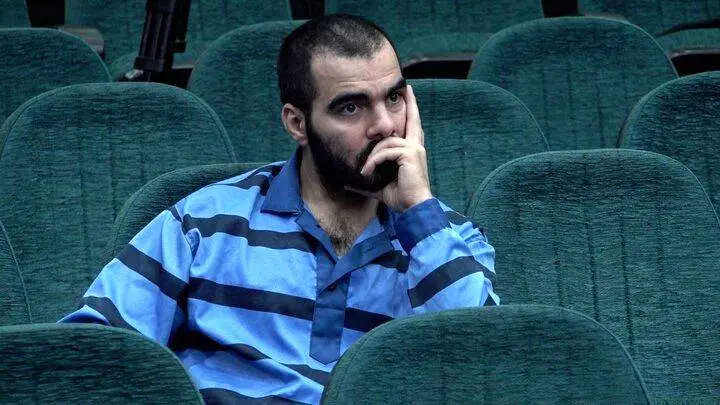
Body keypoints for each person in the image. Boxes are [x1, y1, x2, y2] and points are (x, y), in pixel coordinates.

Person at [61, 13, 499, 404]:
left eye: (394, 98)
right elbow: (89, 355)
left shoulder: (448, 240)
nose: (384, 125)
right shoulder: (204, 224)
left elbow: (482, 369)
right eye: (351, 107)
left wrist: (418, 211)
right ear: (297, 123)